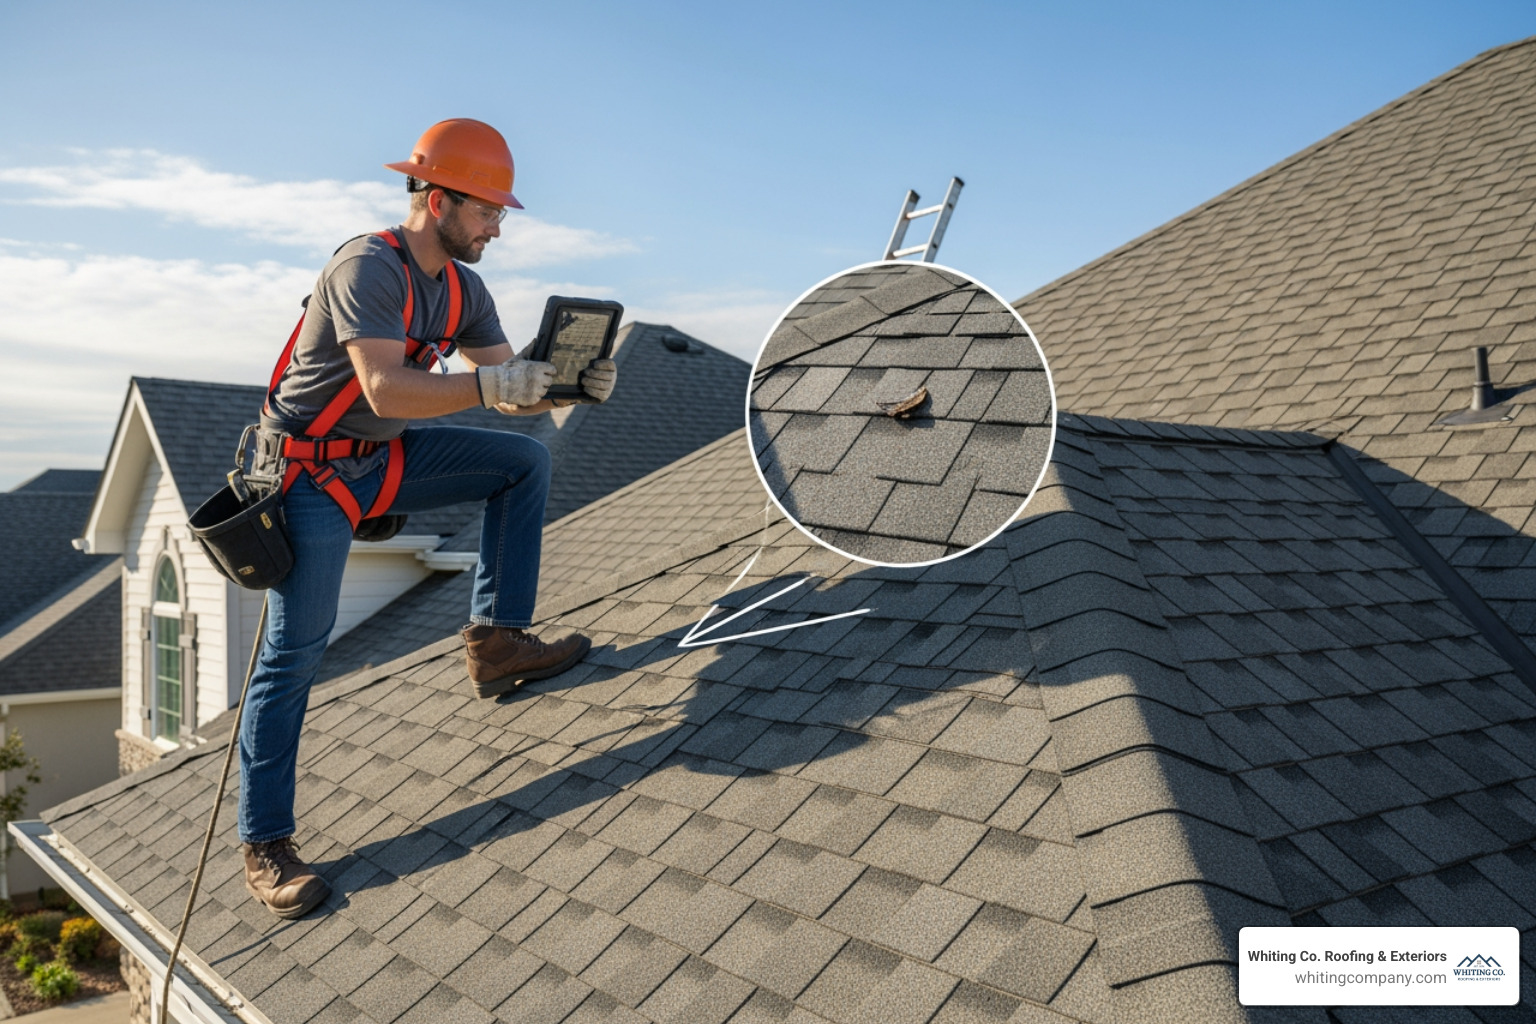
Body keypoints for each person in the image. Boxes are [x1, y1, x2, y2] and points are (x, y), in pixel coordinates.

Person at [240, 119, 614, 919]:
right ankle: (265, 842)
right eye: (487, 212)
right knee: (294, 655)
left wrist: (575, 386)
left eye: (502, 215)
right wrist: (498, 389)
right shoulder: (365, 268)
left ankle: (497, 642)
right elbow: (385, 391)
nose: (498, 228)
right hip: (307, 475)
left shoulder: (465, 290)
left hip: (379, 461)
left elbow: (511, 382)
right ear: (436, 199)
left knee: (525, 462)